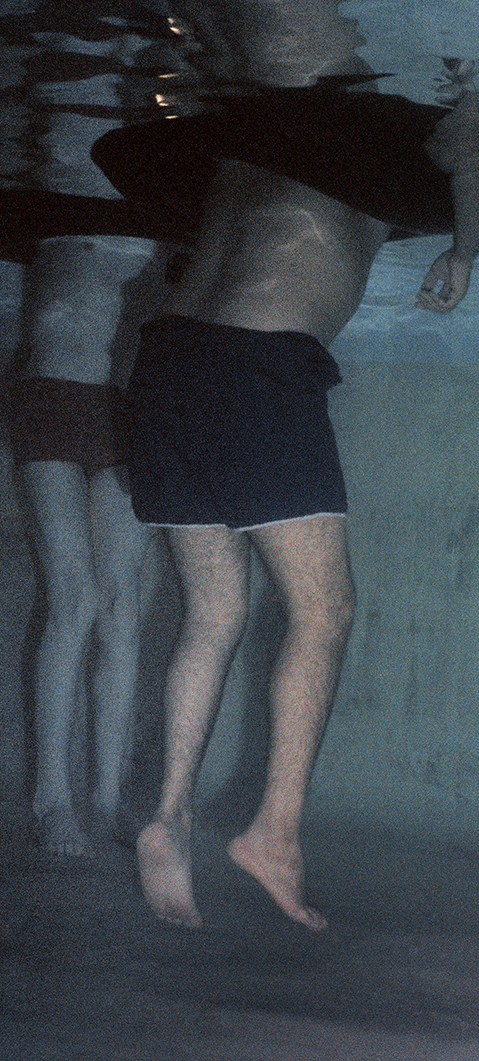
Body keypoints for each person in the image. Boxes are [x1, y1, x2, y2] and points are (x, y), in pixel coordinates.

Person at [89, 0, 479, 929]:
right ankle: (273, 830)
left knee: (215, 612)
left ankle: (168, 816)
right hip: (254, 369)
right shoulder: (376, 161)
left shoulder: (260, 159)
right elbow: (475, 143)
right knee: (324, 610)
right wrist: (467, 247)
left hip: (166, 365)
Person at [6, 4, 174, 857]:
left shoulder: (164, 215)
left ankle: (106, 799)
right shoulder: (54, 206)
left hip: (124, 413)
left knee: (120, 612)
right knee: (71, 600)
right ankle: (50, 802)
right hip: (48, 400)